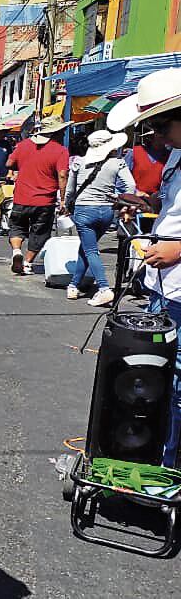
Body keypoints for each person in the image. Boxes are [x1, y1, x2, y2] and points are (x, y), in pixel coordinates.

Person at [108, 69, 181, 466]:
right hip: (163, 287)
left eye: (162, 125)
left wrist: (179, 250)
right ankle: (153, 458)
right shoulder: (177, 157)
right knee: (155, 378)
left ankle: (168, 467)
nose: (158, 136)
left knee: (176, 386)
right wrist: (147, 204)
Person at [64, 130, 132, 307]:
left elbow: (70, 191)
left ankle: (103, 288)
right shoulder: (118, 163)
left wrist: (65, 205)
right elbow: (130, 186)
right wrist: (120, 200)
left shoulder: (78, 162)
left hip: (84, 210)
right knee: (87, 247)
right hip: (107, 211)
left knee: (90, 250)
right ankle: (73, 285)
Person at [6, 118, 70, 275]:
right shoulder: (60, 150)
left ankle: (16, 251)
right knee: (40, 232)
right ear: (56, 133)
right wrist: (63, 199)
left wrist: (23, 164)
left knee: (17, 226)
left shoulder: (23, 145)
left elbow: (9, 163)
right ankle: (27, 262)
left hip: (21, 197)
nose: (64, 134)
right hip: (44, 200)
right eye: (62, 131)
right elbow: (62, 175)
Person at [125, 128, 170, 196]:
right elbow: (122, 179)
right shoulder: (134, 152)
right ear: (152, 136)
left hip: (157, 199)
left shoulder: (170, 157)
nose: (162, 137)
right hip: (133, 197)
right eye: (160, 134)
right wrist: (136, 192)